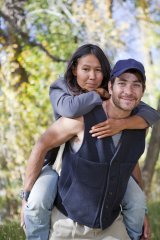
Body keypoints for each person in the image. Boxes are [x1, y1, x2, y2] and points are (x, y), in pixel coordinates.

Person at [21, 45, 160, 240]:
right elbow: (43, 143)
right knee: (38, 199)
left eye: (98, 71)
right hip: (58, 163)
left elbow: (131, 154)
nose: (92, 77)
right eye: (86, 69)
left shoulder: (135, 118)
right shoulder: (65, 93)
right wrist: (25, 195)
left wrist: (122, 123)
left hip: (106, 210)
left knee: (137, 200)